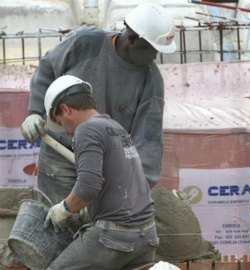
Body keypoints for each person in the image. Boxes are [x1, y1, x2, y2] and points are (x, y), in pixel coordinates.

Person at [21, 2, 177, 204]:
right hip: (60, 153)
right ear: (131, 39)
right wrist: (35, 111)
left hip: (104, 166)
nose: (155, 56)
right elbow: (47, 69)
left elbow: (148, 141)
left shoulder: (150, 81)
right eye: (151, 49)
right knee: (56, 222)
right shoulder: (86, 42)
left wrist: (137, 188)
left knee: (96, 230)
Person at [43, 75, 159, 270]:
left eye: (60, 122)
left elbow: (88, 187)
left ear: (65, 109)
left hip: (115, 238)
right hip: (146, 236)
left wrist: (63, 209)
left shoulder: (86, 130)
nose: (65, 130)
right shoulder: (114, 127)